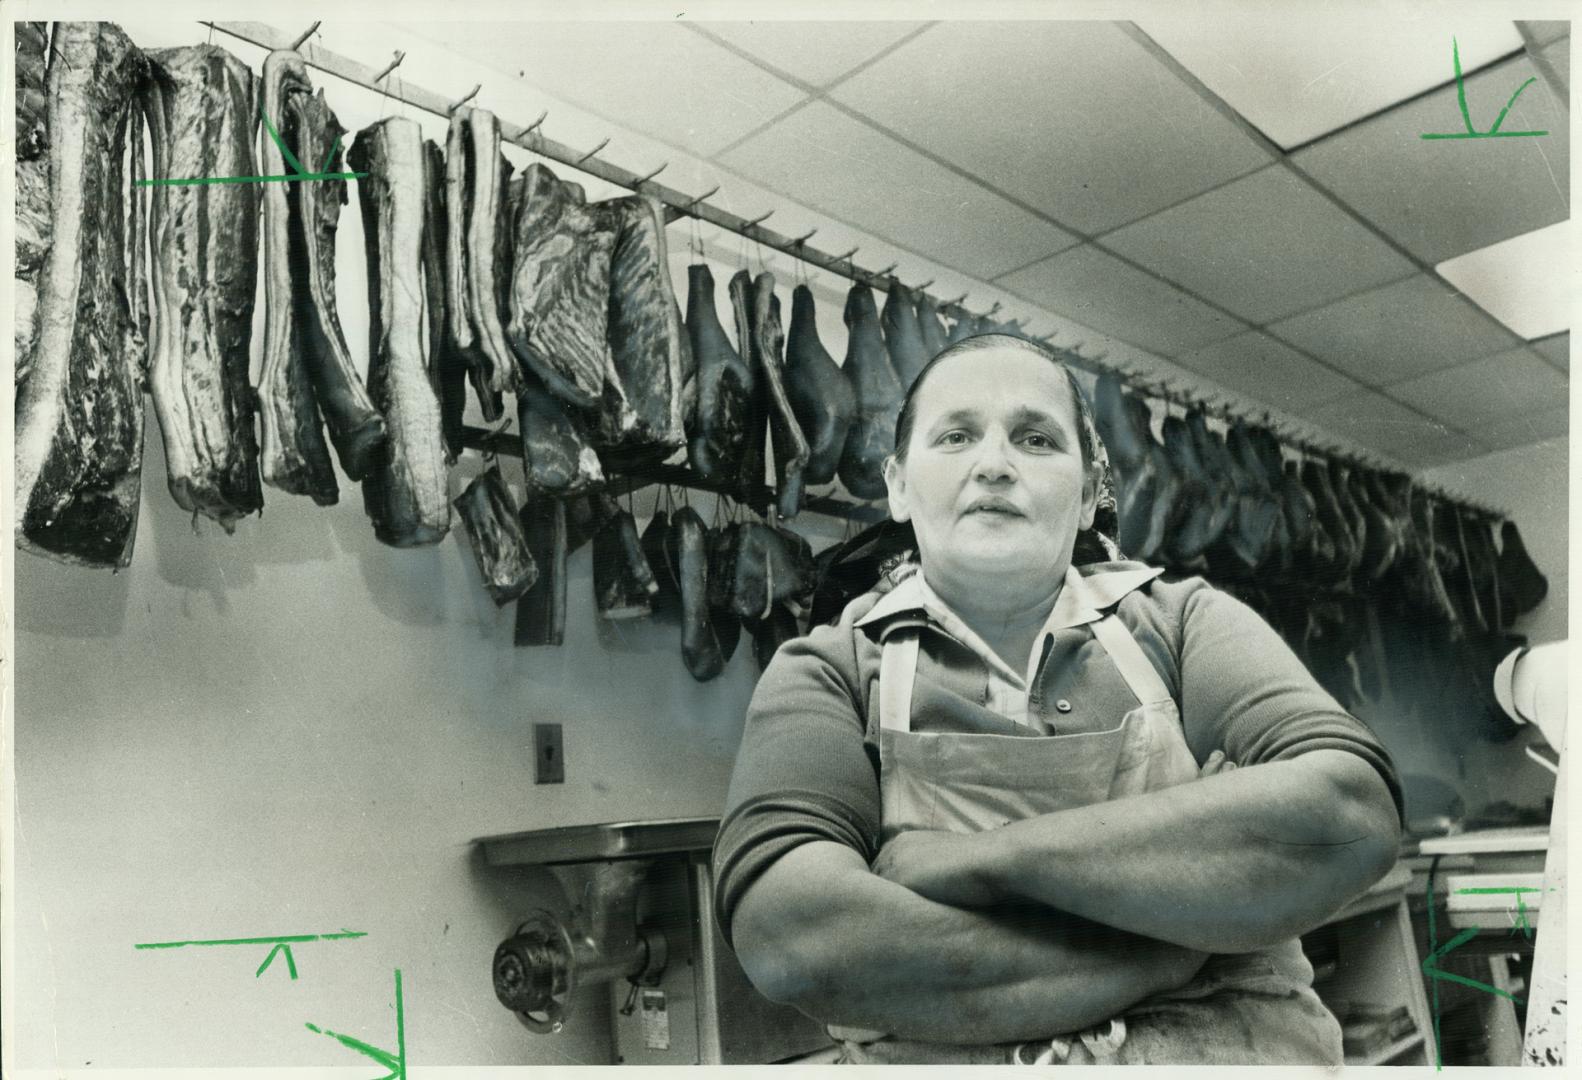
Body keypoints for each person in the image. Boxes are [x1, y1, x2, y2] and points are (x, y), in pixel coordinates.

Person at [711, 335, 1406, 1065]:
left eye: (1036, 439)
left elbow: (1351, 814)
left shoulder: (1184, 621)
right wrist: (1184, 943)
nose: (993, 464)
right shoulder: (827, 671)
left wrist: (979, 862)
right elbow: (793, 938)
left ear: (1085, 496)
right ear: (898, 485)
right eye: (955, 436)